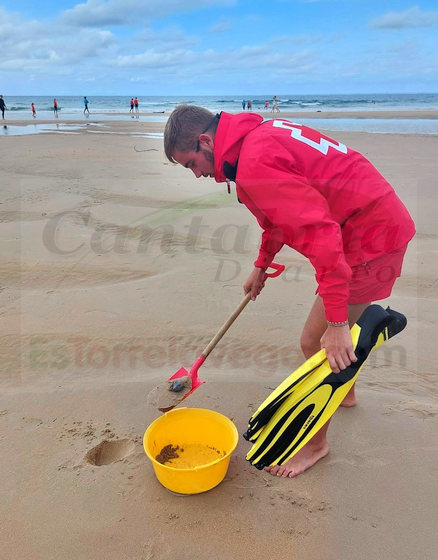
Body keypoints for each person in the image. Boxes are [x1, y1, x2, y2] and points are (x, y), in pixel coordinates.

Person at [163, 105, 416, 478]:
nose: (198, 174)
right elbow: (279, 217)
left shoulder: (254, 162)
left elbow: (321, 234)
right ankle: (345, 392)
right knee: (334, 333)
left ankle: (317, 444)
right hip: (368, 219)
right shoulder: (252, 141)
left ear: (205, 141)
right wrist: (262, 265)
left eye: (191, 164)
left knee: (316, 343)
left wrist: (335, 321)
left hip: (370, 236)